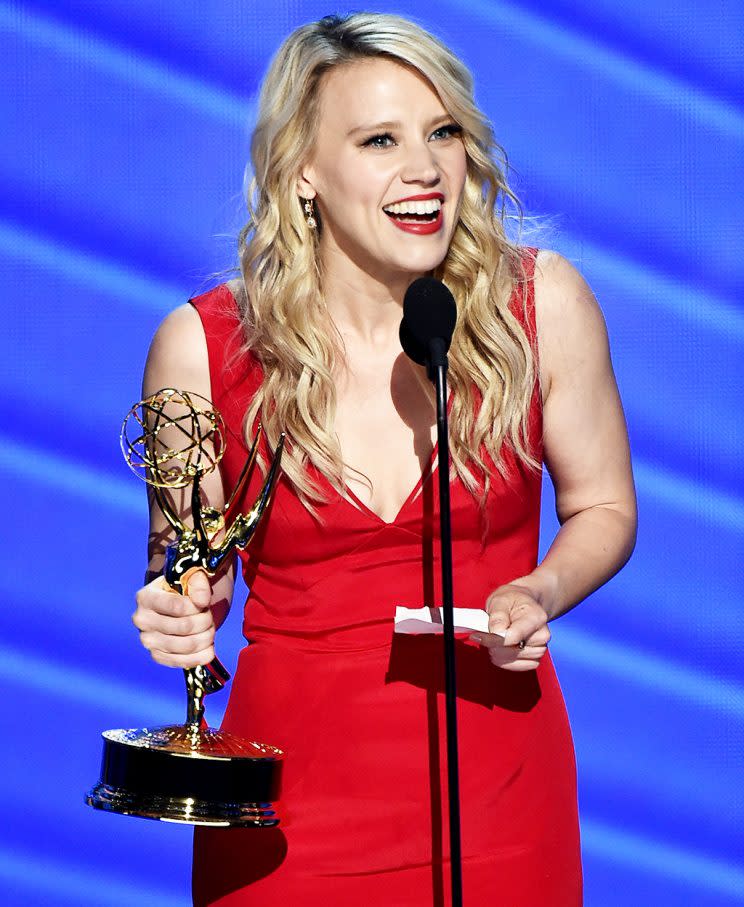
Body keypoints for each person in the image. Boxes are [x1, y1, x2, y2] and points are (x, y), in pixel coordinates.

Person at [132, 12, 636, 906]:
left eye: (443, 133)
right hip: (288, 811)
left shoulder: (540, 306)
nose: (426, 168)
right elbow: (186, 556)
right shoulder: (204, 347)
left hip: (499, 795)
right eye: (379, 140)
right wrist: (180, 603)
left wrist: (540, 589)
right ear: (303, 177)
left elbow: (603, 506)